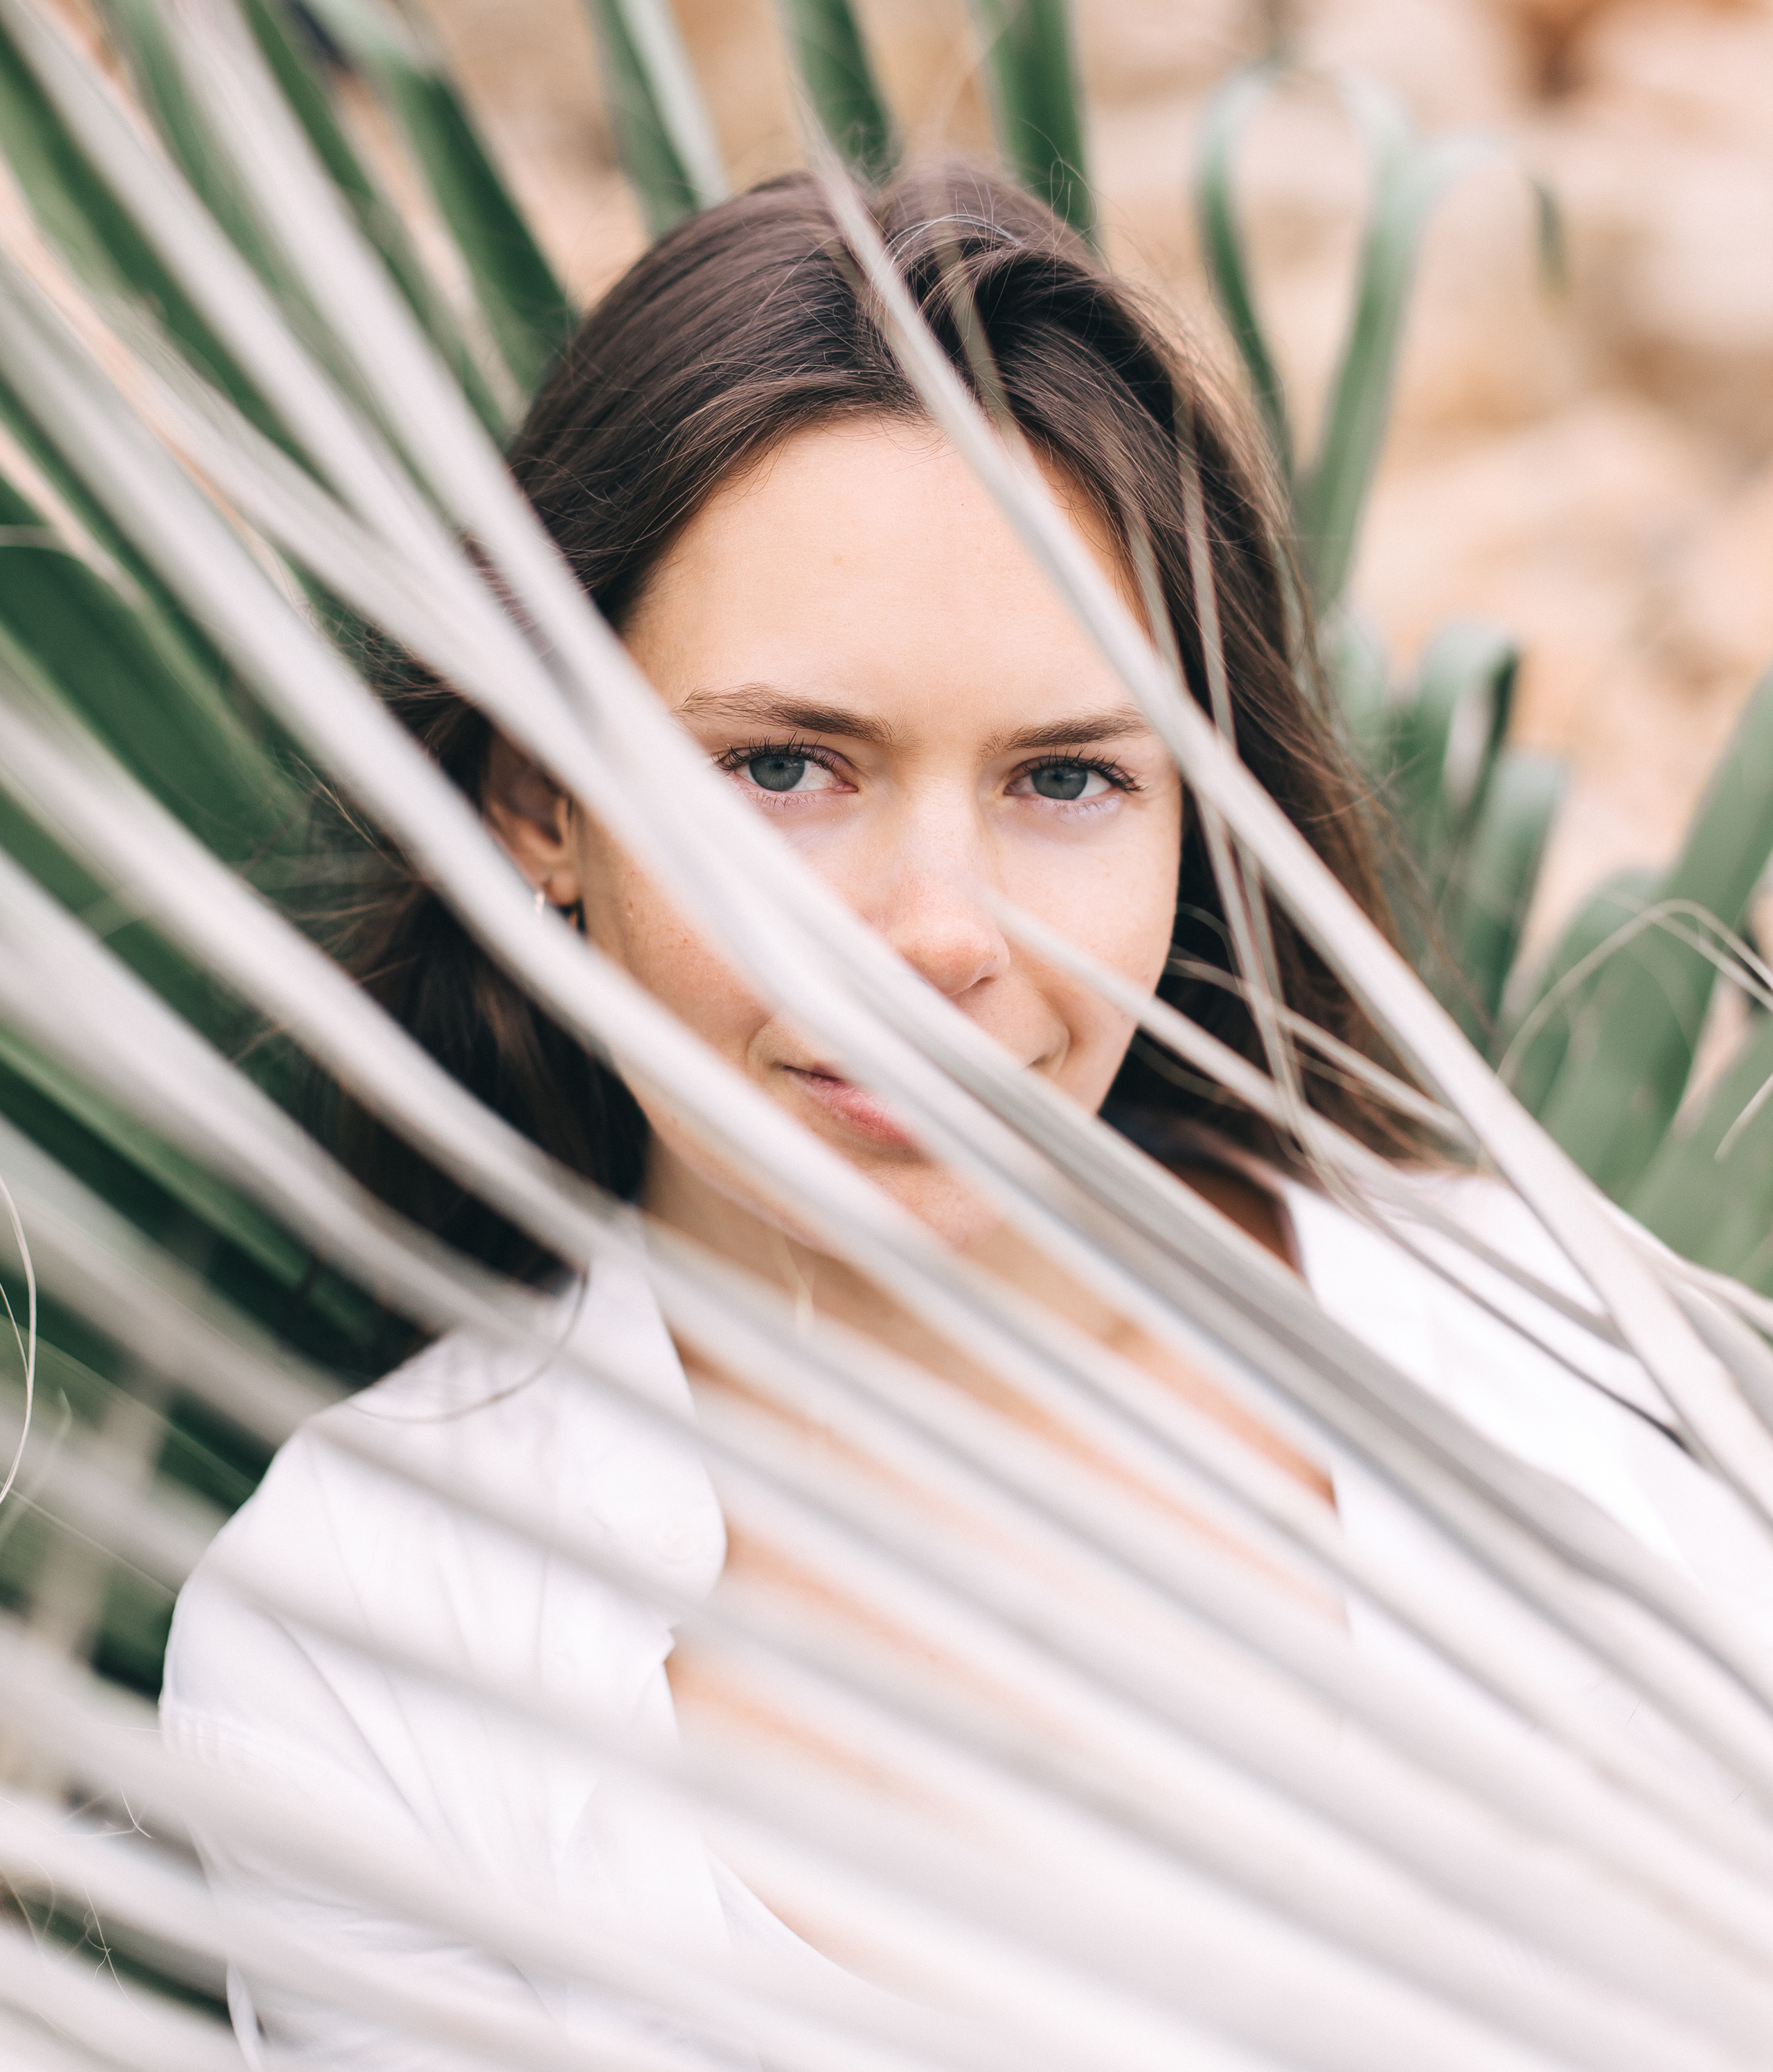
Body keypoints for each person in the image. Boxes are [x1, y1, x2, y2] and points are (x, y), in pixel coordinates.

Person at [161, 163, 1773, 2066]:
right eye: (786, 765)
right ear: (539, 798)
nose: (939, 940)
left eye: (1067, 782)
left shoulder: (1579, 1386)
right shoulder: (368, 1640)